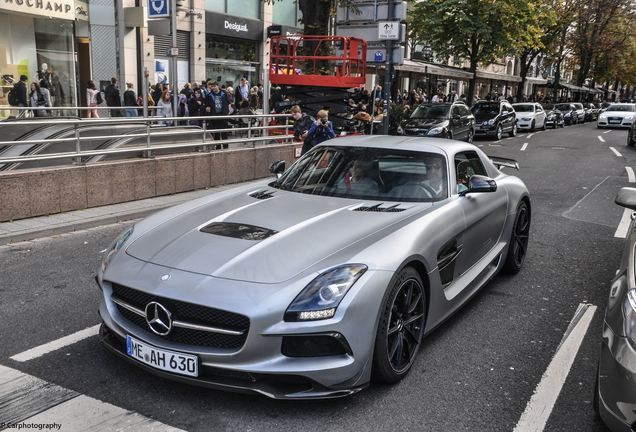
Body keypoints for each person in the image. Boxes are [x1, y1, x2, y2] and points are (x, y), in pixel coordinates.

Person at [205, 80, 229, 144]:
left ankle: (225, 147)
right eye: (212, 86)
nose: (214, 88)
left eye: (215, 86)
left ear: (218, 86)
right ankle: (217, 147)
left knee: (224, 133)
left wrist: (226, 112)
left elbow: (228, 102)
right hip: (214, 116)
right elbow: (206, 105)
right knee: (216, 133)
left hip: (223, 116)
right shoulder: (209, 95)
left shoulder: (224, 93)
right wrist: (207, 107)